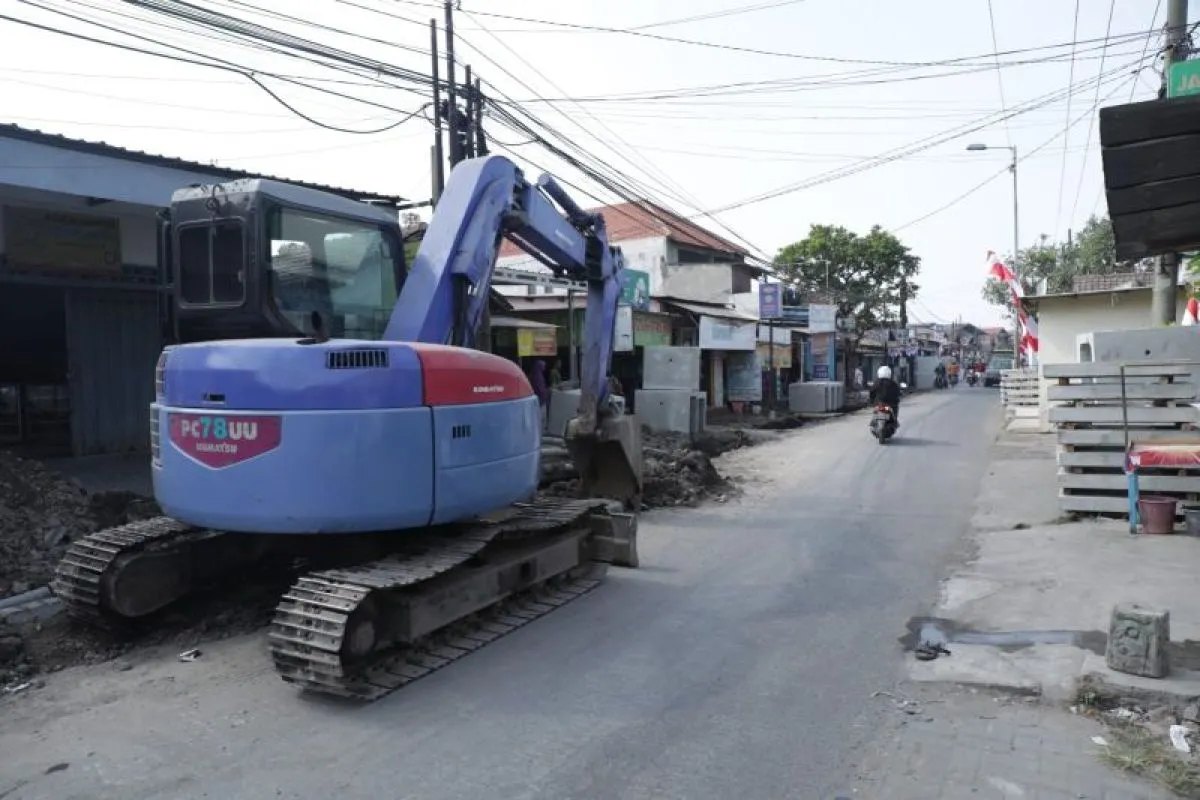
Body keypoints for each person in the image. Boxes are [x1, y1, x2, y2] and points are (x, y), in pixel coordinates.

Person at [528, 359, 549, 428]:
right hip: (540, 400)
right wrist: (546, 393)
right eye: (543, 366)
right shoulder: (538, 377)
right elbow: (540, 389)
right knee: (540, 418)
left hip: (537, 400)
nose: (544, 368)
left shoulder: (535, 375)